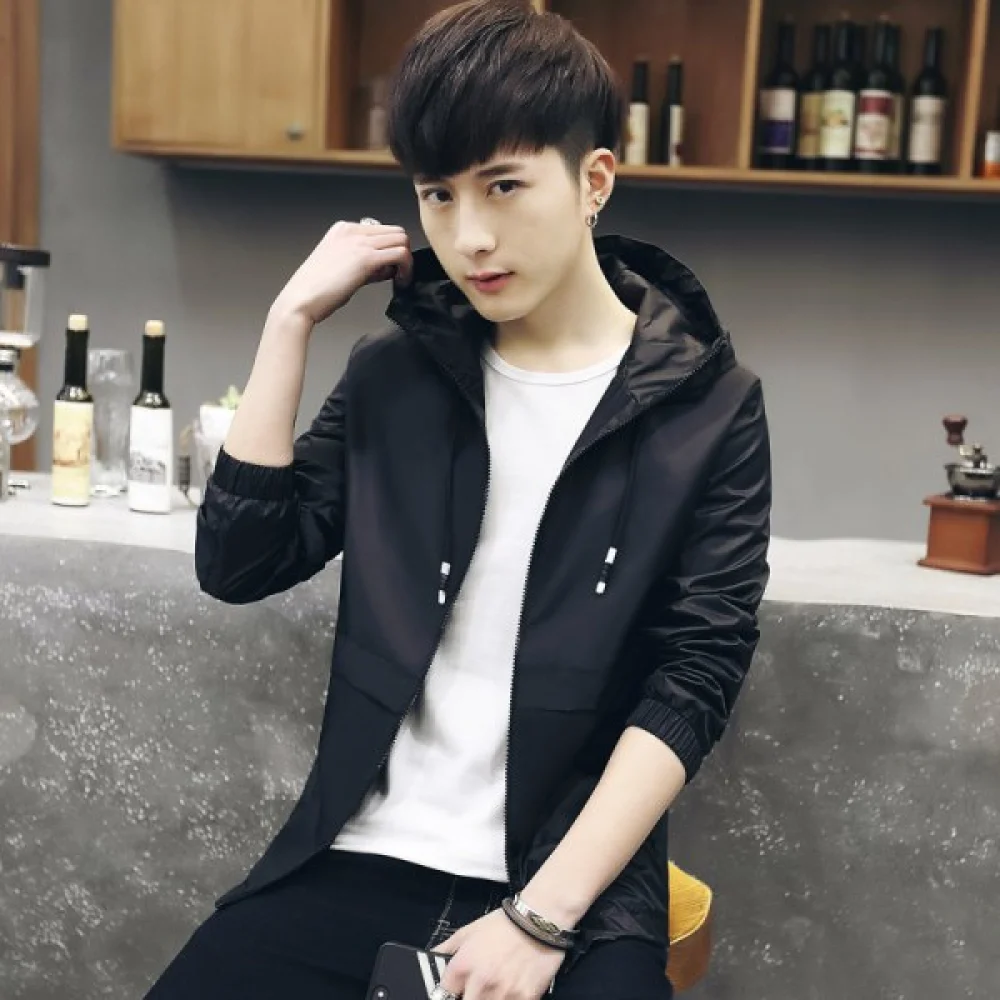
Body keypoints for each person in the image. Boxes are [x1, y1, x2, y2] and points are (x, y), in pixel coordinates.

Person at [145, 1, 771, 998]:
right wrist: (288, 321)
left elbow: (694, 678)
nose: (469, 235)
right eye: (438, 195)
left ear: (593, 181)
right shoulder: (398, 372)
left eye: (504, 185)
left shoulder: (712, 407)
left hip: (569, 886)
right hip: (358, 852)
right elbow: (240, 562)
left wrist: (540, 917)